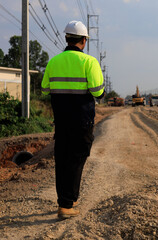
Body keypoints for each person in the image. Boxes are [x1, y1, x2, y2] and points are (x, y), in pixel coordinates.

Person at [41, 20, 105, 219]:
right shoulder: (89, 62)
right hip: (82, 121)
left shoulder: (53, 62)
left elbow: (44, 89)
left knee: (62, 160)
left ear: (67, 38)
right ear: (84, 41)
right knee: (77, 160)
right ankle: (67, 205)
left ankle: (66, 200)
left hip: (61, 121)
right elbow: (98, 92)